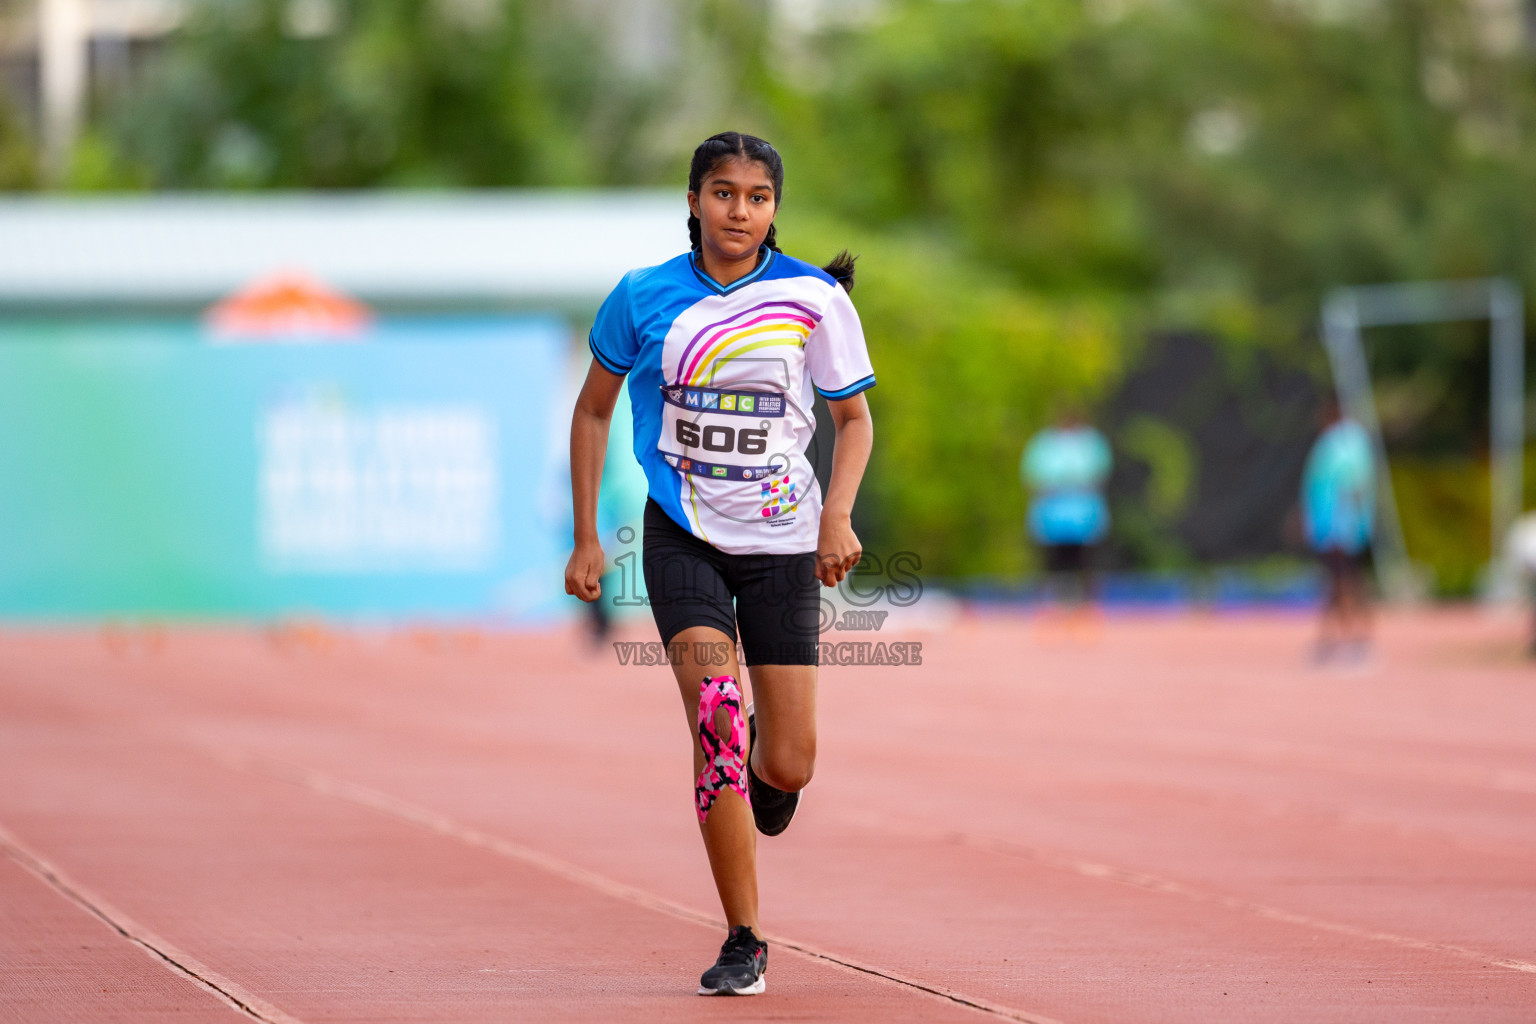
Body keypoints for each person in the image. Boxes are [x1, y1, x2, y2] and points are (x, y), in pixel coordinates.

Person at [564, 132, 875, 997]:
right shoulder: (642, 298)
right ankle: (745, 937)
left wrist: (837, 517)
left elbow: (854, 423)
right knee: (716, 718)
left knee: (789, 763)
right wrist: (589, 536)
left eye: (758, 197)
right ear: (694, 199)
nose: (740, 211)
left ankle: (771, 789)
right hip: (682, 536)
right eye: (724, 193)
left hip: (781, 546)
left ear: (775, 207)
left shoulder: (813, 298)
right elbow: (592, 413)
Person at [1301, 398, 1375, 662]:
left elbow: (1355, 484)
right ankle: (1340, 639)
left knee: (1345, 581)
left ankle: (1353, 640)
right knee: (1340, 581)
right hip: (1334, 525)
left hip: (1341, 526)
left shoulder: (1346, 443)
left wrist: (1350, 522)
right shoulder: (1340, 442)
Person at [1021, 411, 1112, 603]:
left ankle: (1086, 603)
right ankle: (1051, 601)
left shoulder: (1091, 442)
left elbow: (1100, 476)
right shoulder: (1043, 443)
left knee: (1084, 559)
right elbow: (1032, 479)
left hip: (1082, 514)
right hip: (1053, 514)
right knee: (1052, 559)